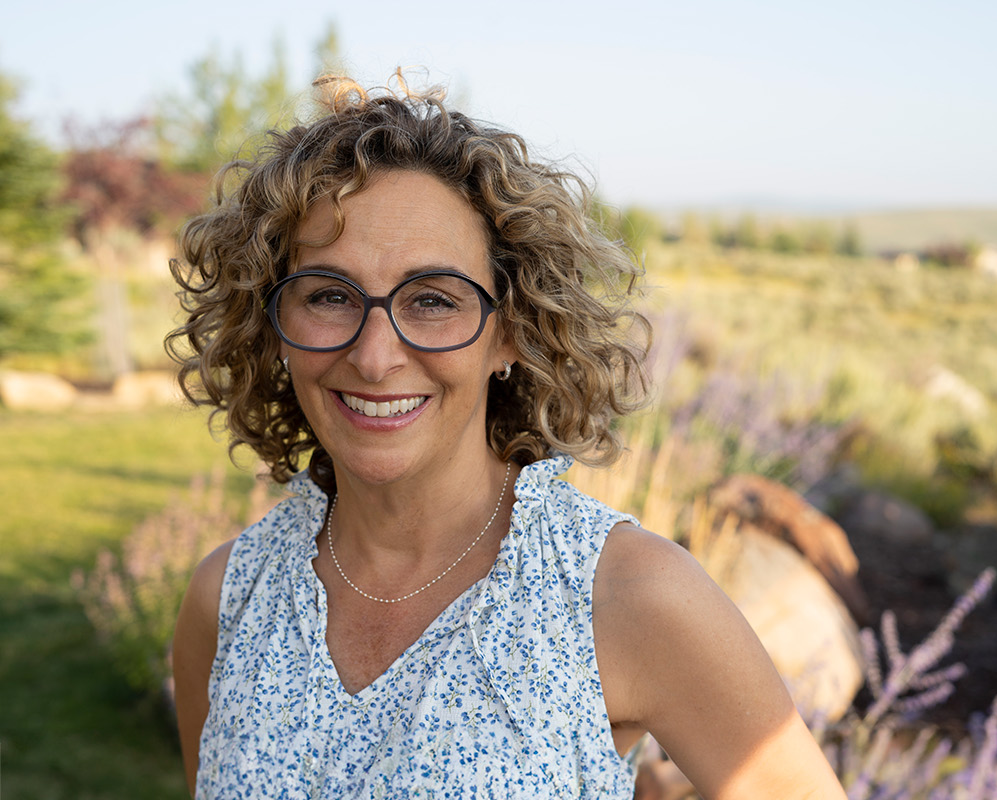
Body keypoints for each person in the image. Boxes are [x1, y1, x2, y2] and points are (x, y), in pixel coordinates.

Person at [168, 75, 845, 799]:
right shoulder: (229, 597)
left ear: (512, 334)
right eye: (329, 296)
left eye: (432, 300)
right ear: (274, 327)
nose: (373, 355)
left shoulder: (627, 598)